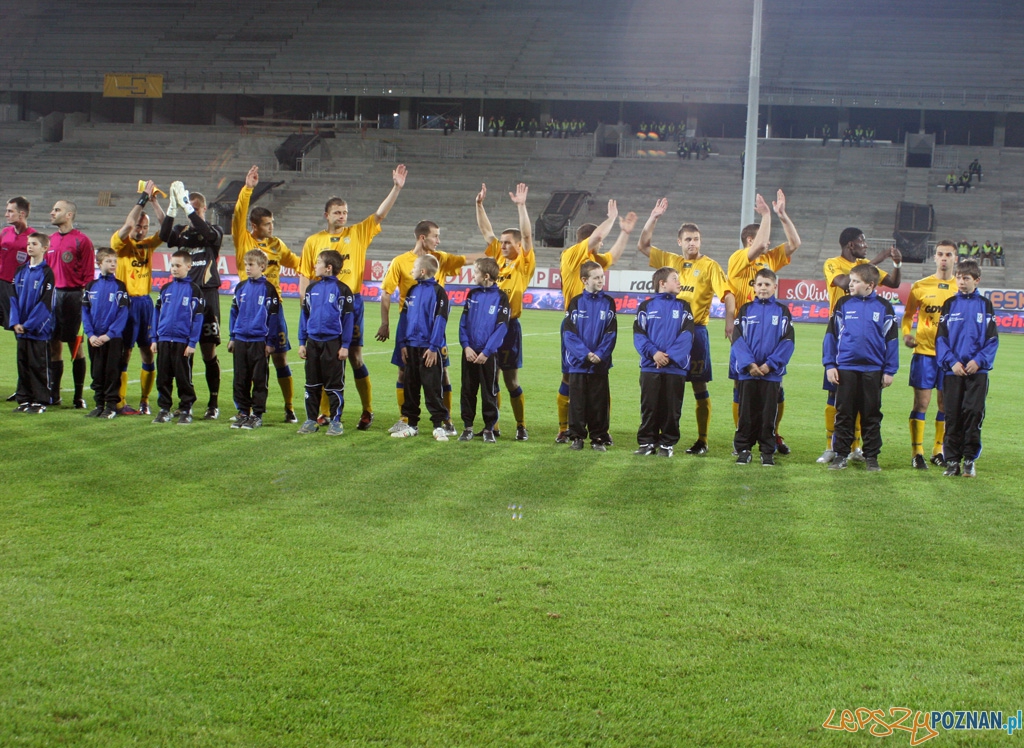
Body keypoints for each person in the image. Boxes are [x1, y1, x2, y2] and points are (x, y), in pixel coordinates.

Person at [298, 164, 407, 430]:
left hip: (350, 305)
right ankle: (323, 413)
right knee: (322, 357)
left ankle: (367, 410)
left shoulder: (357, 233)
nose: (342, 216)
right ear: (327, 215)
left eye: (345, 212)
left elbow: (380, 215)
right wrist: (305, 303)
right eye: (337, 212)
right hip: (321, 305)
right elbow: (304, 275)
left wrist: (396, 188)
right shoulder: (313, 241)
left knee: (355, 356)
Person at [638, 198, 735, 455]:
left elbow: (728, 294)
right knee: (664, 384)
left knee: (699, 386)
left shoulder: (710, 266)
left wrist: (729, 321)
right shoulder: (670, 262)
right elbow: (643, 245)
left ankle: (702, 440)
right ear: (679, 242)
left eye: (697, 239)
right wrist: (654, 217)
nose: (693, 243)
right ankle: (658, 436)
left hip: (695, 334)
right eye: (688, 239)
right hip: (664, 332)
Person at [377, 220, 484, 435]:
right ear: (422, 237)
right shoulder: (400, 262)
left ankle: (446, 419)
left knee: (441, 371)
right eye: (436, 236)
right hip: (408, 328)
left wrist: (493, 251)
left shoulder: (440, 259)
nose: (439, 240)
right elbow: (386, 292)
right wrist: (386, 323)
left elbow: (465, 260)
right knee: (404, 373)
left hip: (433, 327)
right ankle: (405, 419)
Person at [554, 201, 637, 443]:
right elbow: (598, 234)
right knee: (569, 377)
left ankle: (602, 429)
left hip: (597, 319)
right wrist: (612, 218)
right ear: (588, 241)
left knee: (600, 378)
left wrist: (625, 232)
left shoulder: (593, 261)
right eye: (598, 242)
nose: (602, 245)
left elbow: (614, 255)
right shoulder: (571, 256)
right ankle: (564, 428)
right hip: (575, 321)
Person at [819, 227, 902, 463]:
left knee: (866, 406)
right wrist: (875, 263)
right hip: (841, 338)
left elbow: (894, 283)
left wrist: (895, 264)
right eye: (861, 241)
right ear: (850, 245)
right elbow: (844, 282)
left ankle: (857, 448)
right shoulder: (833, 263)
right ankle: (831, 447)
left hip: (868, 352)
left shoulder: (868, 269)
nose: (865, 245)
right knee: (835, 398)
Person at [726, 190, 801, 453]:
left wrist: (781, 215)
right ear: (750, 238)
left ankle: (773, 434)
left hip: (769, 331)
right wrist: (766, 214)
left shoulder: (768, 261)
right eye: (764, 237)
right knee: (742, 387)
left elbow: (795, 243)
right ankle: (742, 436)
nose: (768, 242)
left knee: (774, 389)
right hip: (745, 334)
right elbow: (759, 245)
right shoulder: (738, 257)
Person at [233, 165, 301, 423]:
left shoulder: (276, 244)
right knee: (247, 362)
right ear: (254, 226)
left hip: (274, 307)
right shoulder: (245, 241)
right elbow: (238, 216)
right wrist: (247, 189)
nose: (272, 227)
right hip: (248, 308)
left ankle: (289, 406)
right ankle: (244, 409)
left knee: (280, 357)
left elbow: (296, 263)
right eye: (268, 224)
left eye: (273, 223)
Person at [475, 182, 536, 440]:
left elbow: (527, 235)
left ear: (518, 245)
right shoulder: (497, 261)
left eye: (507, 243)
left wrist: (521, 207)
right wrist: (478, 205)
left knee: (511, 381)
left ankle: (521, 425)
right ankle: (493, 425)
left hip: (509, 328)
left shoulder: (523, 263)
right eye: (501, 243)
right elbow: (487, 231)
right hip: (489, 329)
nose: (502, 246)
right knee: (490, 380)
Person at [160, 181, 224, 420]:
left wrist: (187, 206)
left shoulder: (214, 232)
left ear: (204, 209)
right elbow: (165, 236)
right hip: (184, 296)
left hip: (207, 295)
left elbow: (205, 232)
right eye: (188, 206)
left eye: (196, 209)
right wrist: (172, 208)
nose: (192, 212)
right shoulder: (181, 232)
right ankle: (186, 401)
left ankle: (213, 402)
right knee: (184, 352)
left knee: (208, 351)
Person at [936, 260, 998, 478]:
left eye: (966, 278)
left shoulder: (985, 304)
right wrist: (952, 362)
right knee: (952, 415)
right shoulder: (949, 304)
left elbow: (992, 339)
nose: (961, 282)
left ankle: (970, 460)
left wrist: (979, 361)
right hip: (953, 371)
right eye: (959, 277)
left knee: (973, 413)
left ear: (977, 280)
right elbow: (941, 338)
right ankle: (952, 461)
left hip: (977, 372)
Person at [901, 240, 959, 469]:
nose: (944, 258)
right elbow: (907, 315)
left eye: (948, 254)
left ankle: (939, 450)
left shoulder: (960, 287)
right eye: (940, 254)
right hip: (924, 352)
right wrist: (906, 334)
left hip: (950, 356)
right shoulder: (920, 286)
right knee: (922, 403)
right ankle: (917, 452)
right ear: (934, 258)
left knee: (945, 405)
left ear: (956, 258)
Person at [731, 269, 795, 467]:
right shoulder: (745, 309)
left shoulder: (782, 311)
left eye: (767, 284)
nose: (763, 288)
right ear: (754, 287)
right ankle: (743, 449)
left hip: (771, 375)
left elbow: (788, 341)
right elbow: (737, 339)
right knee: (746, 414)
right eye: (759, 284)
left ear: (775, 287)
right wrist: (750, 364)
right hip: (748, 373)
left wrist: (769, 365)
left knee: (768, 415)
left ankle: (767, 451)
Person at [112, 180, 164, 415]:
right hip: (126, 303)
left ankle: (144, 400)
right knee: (126, 351)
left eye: (145, 227)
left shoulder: (148, 245)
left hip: (145, 303)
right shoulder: (120, 244)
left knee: (147, 350)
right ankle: (120, 401)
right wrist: (142, 198)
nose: (140, 230)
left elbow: (166, 227)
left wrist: (154, 202)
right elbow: (128, 224)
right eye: (139, 226)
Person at [632, 267, 694, 458]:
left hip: (676, 368)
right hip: (651, 366)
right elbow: (639, 335)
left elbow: (688, 334)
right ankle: (647, 442)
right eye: (675, 279)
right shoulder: (646, 307)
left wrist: (669, 357)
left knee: (672, 409)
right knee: (649, 406)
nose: (679, 282)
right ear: (662, 283)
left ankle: (667, 444)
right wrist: (654, 354)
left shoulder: (684, 306)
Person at [390, 254, 451, 441]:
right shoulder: (412, 291)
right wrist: (402, 343)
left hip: (429, 349)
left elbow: (441, 321)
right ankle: (412, 425)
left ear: (423, 271)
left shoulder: (439, 292)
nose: (411, 270)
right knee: (411, 387)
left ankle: (438, 426)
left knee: (432, 388)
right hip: (411, 347)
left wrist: (434, 348)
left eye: (414, 267)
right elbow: (404, 319)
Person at [296, 249, 354, 437]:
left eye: (318, 262)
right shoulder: (311, 289)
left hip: (333, 343)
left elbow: (348, 320)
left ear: (328, 268)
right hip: (313, 342)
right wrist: (302, 341)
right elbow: (304, 316)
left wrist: (345, 345)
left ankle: (336, 421)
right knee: (311, 384)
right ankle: (311, 420)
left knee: (334, 385)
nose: (315, 265)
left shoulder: (343, 290)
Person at [562, 261, 618, 451]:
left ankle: (598, 438)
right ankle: (577, 437)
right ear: (585, 280)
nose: (601, 280)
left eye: (602, 276)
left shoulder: (608, 302)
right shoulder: (576, 302)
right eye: (597, 277)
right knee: (577, 403)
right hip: (579, 363)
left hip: (599, 364)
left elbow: (611, 333)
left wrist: (600, 355)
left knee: (598, 403)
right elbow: (569, 334)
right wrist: (585, 354)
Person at [46, 199, 94, 408]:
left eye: (57, 210)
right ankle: (54, 395)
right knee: (53, 346)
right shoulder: (49, 241)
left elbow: (89, 275)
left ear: (68, 215)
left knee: (76, 347)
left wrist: (84, 300)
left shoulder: (82, 241)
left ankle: (78, 397)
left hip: (74, 296)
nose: (52, 212)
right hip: (53, 296)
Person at [228, 249, 283, 431]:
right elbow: (234, 313)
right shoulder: (240, 288)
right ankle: (243, 412)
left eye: (251, 265)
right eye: (246, 265)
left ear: (262, 267)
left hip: (259, 340)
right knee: (240, 378)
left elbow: (273, 318)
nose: (247, 268)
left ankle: (257, 414)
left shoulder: (268, 289)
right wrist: (232, 337)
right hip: (241, 339)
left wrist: (270, 342)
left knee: (259, 379)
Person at [457, 257, 510, 443]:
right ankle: (468, 427)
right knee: (467, 391)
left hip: (488, 356)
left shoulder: (501, 297)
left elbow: (502, 327)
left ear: (486, 276)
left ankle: (489, 428)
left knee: (489, 392)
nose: (473, 276)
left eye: (475, 272)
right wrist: (466, 346)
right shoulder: (472, 294)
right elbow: (463, 323)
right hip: (470, 353)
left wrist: (487, 351)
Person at [150, 250, 205, 425]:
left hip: (183, 342)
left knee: (183, 378)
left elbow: (198, 318)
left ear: (188, 266)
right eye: (172, 265)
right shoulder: (165, 289)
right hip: (164, 339)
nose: (174, 269)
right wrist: (154, 338)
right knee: (163, 377)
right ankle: (164, 409)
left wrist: (192, 342)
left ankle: (186, 408)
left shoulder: (194, 290)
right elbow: (156, 312)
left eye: (178, 265)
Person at [82, 247, 129, 419]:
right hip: (94, 338)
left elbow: (123, 313)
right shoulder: (91, 286)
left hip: (112, 338)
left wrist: (109, 334)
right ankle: (99, 404)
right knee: (97, 372)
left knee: (111, 372)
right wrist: (91, 335)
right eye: (109, 261)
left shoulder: (119, 286)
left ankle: (110, 406)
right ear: (99, 263)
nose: (113, 264)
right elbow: (85, 312)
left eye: (115, 261)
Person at [9, 232, 54, 414]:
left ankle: (40, 400)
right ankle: (24, 399)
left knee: (38, 365)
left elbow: (45, 302)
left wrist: (28, 324)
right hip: (20, 328)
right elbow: (12, 298)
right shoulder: (20, 271)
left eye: (34, 244)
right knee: (23, 364)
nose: (29, 247)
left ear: (44, 248)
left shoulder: (47, 273)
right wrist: (15, 322)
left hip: (38, 330)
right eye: (28, 243)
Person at [1, 197, 35, 401]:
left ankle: (24, 388)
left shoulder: (33, 238)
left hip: (18, 292)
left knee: (21, 339)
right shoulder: (4, 233)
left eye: (10, 211)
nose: (6, 214)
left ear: (21, 214)